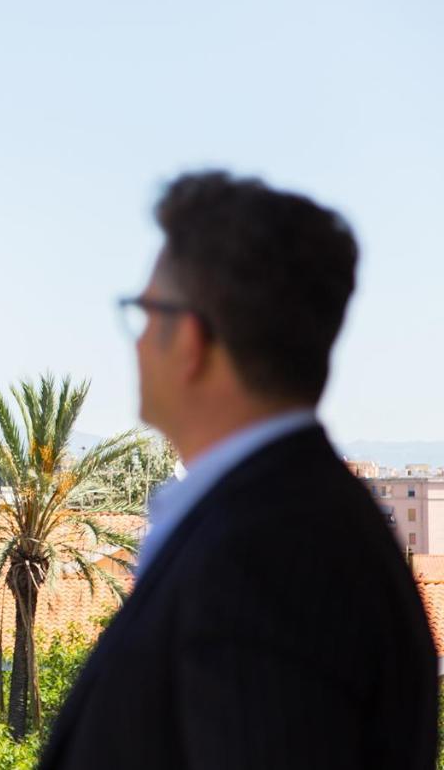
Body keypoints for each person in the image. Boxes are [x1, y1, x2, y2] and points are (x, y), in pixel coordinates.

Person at [39, 172, 438, 769]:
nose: (138, 342)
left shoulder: (267, 556)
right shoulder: (294, 520)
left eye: (145, 313)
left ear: (192, 339)